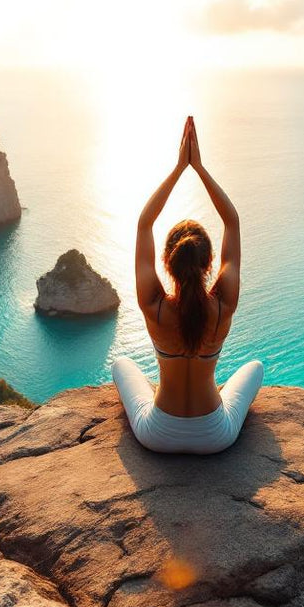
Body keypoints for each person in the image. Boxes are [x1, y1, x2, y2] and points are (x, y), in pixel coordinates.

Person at [112, 116, 264, 454]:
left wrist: (180, 167)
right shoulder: (224, 304)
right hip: (216, 436)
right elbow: (232, 221)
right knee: (256, 367)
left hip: (157, 435)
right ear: (209, 263)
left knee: (121, 364)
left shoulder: (154, 306)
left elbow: (144, 224)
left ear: (167, 261)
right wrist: (199, 168)